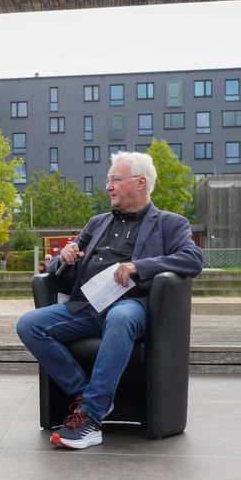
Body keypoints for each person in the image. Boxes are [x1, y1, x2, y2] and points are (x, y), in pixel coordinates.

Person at [16, 151, 204, 450]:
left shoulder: (170, 223)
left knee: (120, 316)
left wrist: (139, 266)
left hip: (131, 306)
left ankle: (90, 419)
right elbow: (59, 269)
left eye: (115, 179)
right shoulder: (97, 222)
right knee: (29, 324)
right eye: (108, 180)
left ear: (140, 183)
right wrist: (64, 257)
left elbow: (193, 259)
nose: (108, 186)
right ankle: (87, 395)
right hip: (86, 306)